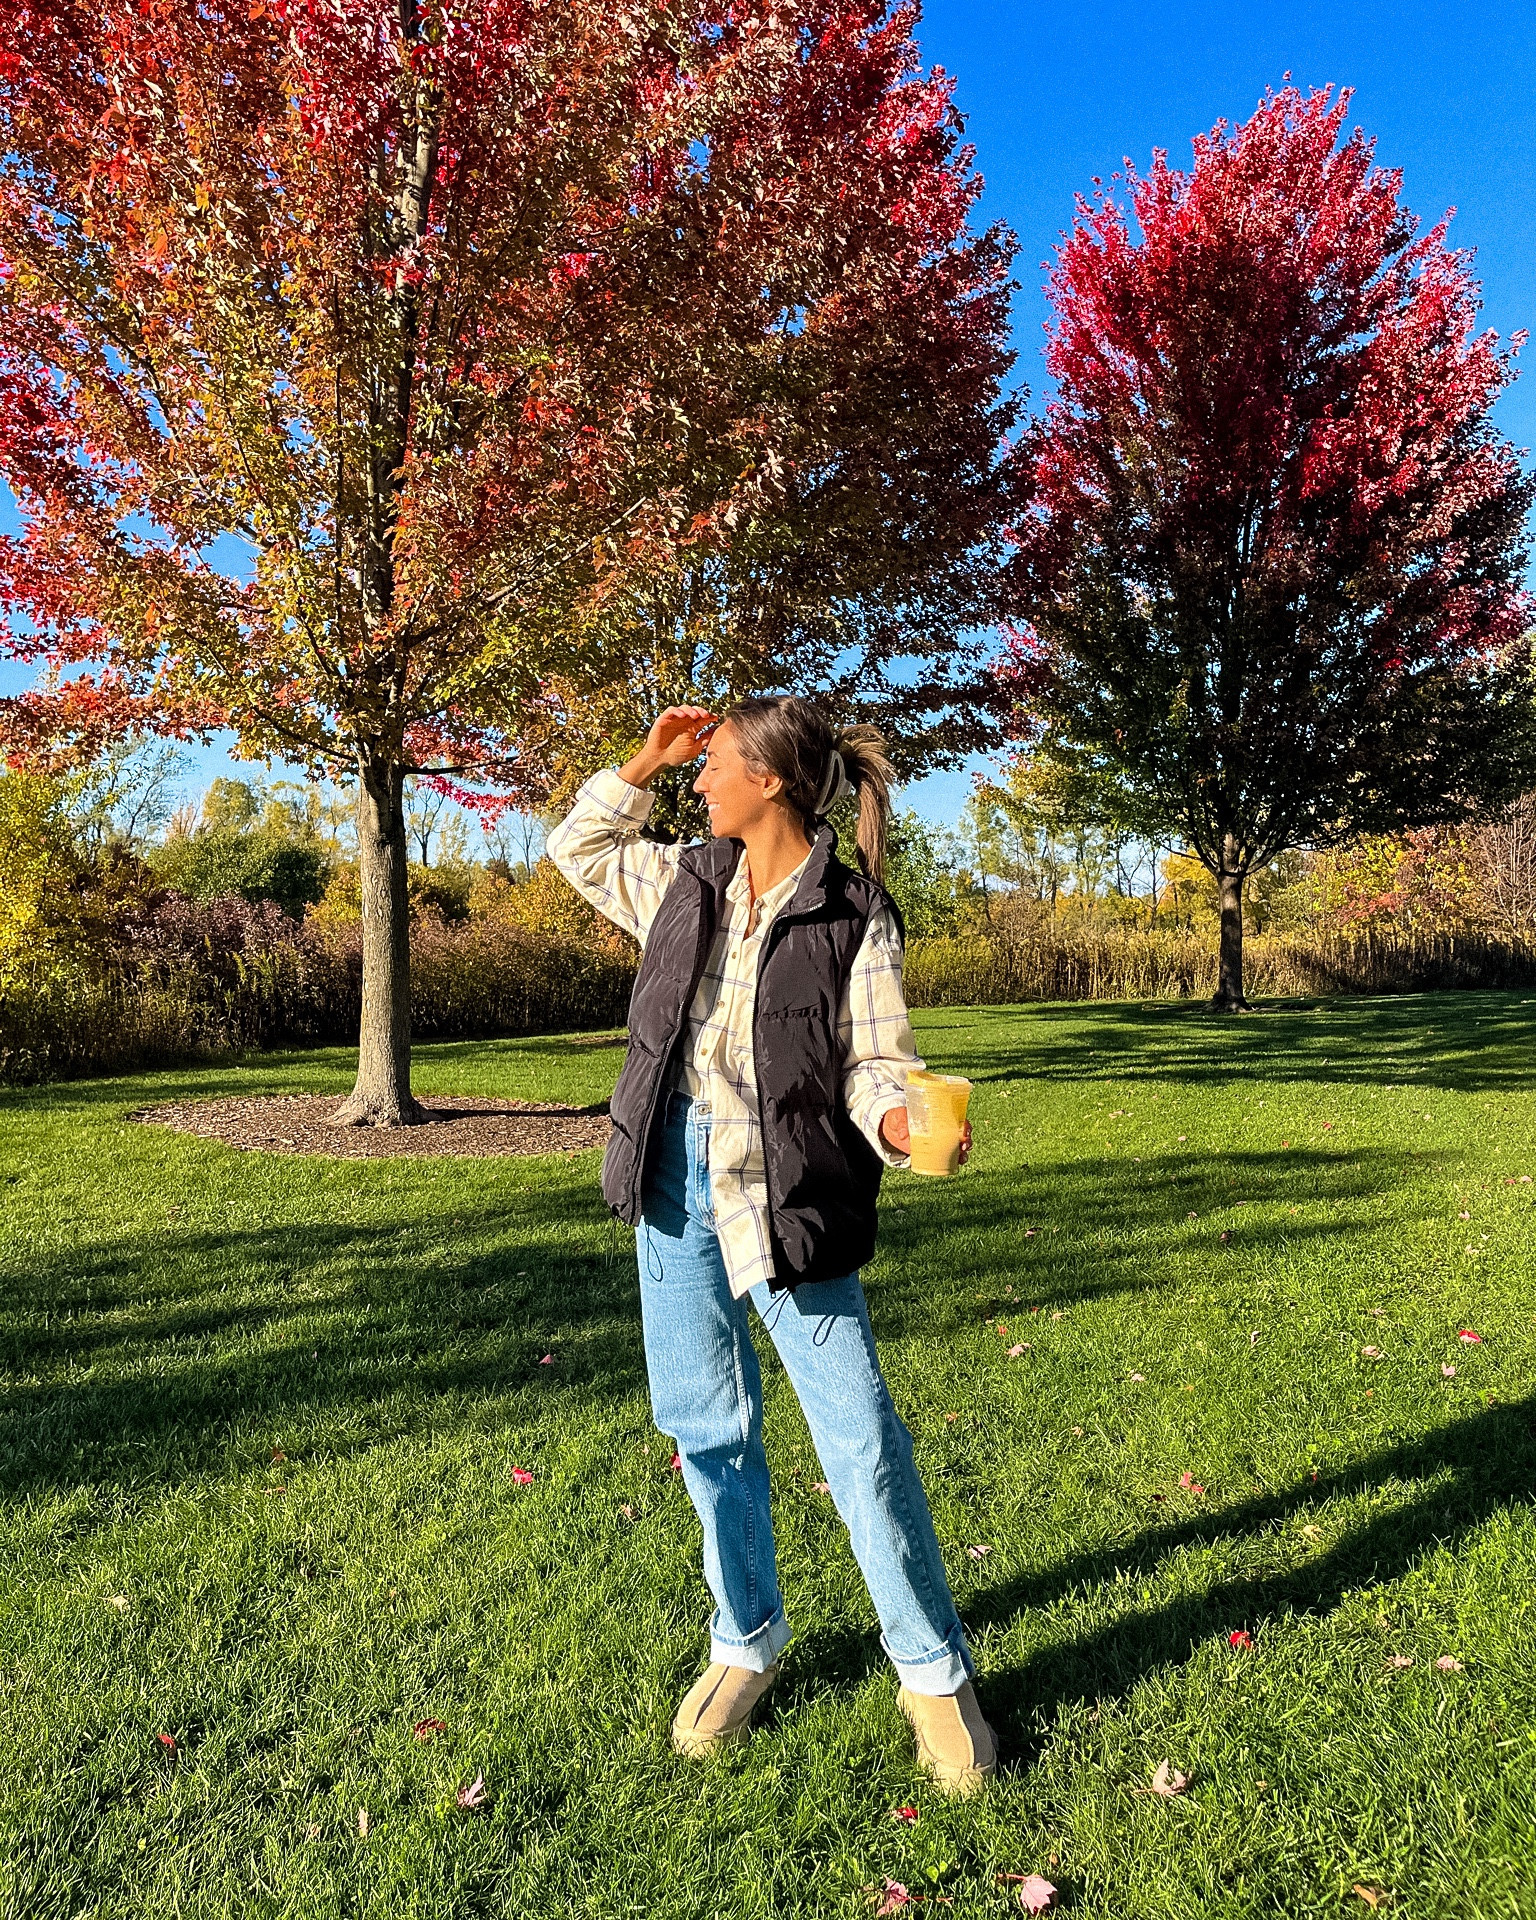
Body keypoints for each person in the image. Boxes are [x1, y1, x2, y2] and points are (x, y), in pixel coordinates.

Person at [547, 697, 995, 1795]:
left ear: (774, 782)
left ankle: (932, 1673)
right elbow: (578, 848)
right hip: (672, 1179)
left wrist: (897, 1124)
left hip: (787, 1194)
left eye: (714, 764)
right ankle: (745, 1641)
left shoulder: (854, 913)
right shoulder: (684, 879)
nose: (699, 781)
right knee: (706, 1429)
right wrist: (642, 762)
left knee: (860, 1438)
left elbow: (876, 1062)